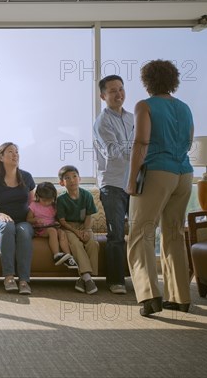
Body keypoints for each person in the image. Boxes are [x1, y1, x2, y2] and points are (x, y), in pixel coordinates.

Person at [125, 59, 194, 317]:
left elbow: (141, 143)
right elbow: (188, 141)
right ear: (172, 80)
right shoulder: (185, 108)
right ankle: (180, 297)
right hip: (184, 174)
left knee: (140, 233)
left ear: (147, 81)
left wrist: (132, 179)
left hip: (157, 172)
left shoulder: (144, 106)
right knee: (174, 232)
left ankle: (149, 296)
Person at [93, 75, 134, 295]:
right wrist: (142, 149)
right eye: (112, 91)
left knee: (139, 233)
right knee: (116, 234)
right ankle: (115, 280)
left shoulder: (132, 118)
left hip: (134, 184)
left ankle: (138, 278)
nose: (119, 94)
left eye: (121, 89)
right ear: (103, 96)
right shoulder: (102, 122)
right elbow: (114, 152)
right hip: (113, 185)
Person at [0, 142, 36, 295]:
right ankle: (9, 277)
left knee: (23, 231)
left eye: (17, 152)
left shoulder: (26, 177)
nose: (15, 155)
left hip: (23, 222)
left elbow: (33, 205)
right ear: (1, 157)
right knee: (8, 226)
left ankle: (24, 280)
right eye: (10, 152)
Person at [56, 165, 100, 294]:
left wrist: (86, 231)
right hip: (68, 227)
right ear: (62, 183)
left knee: (92, 243)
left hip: (84, 226)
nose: (72, 180)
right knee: (75, 243)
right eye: (67, 178)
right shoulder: (61, 200)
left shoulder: (87, 195)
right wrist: (76, 232)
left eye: (74, 176)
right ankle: (87, 278)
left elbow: (88, 216)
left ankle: (84, 279)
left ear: (79, 179)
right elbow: (62, 221)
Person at [26, 182, 79, 270]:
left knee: (62, 233)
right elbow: (28, 219)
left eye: (50, 200)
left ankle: (68, 256)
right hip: (39, 229)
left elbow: (58, 218)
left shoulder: (54, 206)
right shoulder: (34, 205)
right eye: (44, 201)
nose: (47, 203)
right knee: (52, 231)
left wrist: (57, 222)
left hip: (52, 226)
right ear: (38, 196)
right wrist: (35, 220)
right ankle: (56, 255)